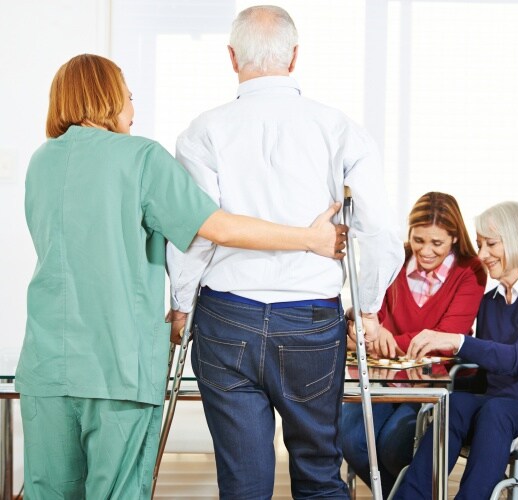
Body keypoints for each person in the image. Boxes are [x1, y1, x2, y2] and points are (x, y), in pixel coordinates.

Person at [16, 53, 348, 500]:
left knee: (48, 493)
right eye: (129, 96)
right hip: (117, 364)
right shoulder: (139, 157)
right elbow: (218, 228)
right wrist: (309, 239)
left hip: (46, 365)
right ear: (110, 98)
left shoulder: (42, 161)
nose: (133, 107)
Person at [166, 5, 404, 498]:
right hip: (310, 322)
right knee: (318, 473)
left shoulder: (203, 131)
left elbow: (194, 232)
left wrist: (181, 302)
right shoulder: (340, 129)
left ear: (232, 57)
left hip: (226, 318)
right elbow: (377, 228)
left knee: (244, 480)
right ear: (295, 57)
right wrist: (368, 307)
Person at [395, 201, 518, 500]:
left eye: (490, 244)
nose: (482, 254)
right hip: (505, 405)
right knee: (455, 405)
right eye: (479, 244)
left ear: (517, 239)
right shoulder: (491, 302)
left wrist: (457, 340)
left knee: (495, 410)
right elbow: (489, 366)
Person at [341, 192, 487, 496]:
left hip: (429, 384)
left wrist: (388, 339)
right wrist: (365, 328)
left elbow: (449, 337)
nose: (426, 251)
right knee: (351, 439)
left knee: (396, 446)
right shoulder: (395, 258)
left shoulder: (470, 271)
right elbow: (369, 314)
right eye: (419, 240)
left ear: (455, 238)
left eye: (437, 243)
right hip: (381, 380)